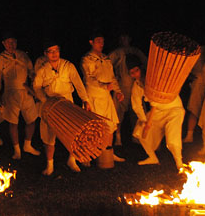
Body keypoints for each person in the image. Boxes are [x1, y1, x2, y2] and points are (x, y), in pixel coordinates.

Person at [33, 41, 90, 175]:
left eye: (56, 50)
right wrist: (44, 100)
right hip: (50, 104)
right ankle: (50, 165)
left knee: (72, 133)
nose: (54, 54)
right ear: (46, 54)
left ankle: (72, 160)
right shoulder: (42, 69)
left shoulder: (68, 66)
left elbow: (78, 83)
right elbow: (36, 87)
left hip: (67, 103)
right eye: (51, 51)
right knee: (48, 135)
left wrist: (85, 99)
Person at [128, 56, 185, 168]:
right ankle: (152, 157)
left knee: (172, 139)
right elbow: (136, 104)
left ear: (141, 69)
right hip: (158, 112)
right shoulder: (137, 85)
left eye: (136, 70)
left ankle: (179, 163)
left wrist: (149, 120)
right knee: (140, 131)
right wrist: (144, 120)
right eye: (132, 73)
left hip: (174, 109)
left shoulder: (154, 79)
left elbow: (156, 100)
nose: (135, 74)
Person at [0, 34, 40, 160]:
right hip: (10, 91)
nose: (11, 45)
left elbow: (31, 70)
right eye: (8, 42)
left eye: (13, 42)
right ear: (4, 43)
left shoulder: (23, 55)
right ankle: (17, 150)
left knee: (31, 119)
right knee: (13, 122)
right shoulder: (0, 58)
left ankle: (27, 145)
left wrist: (33, 83)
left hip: (25, 90)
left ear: (16, 42)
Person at [82, 34, 124, 162]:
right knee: (93, 127)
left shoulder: (106, 58)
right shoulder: (87, 59)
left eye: (103, 41)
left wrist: (118, 91)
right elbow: (88, 79)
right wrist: (103, 86)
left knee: (110, 124)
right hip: (94, 95)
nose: (101, 44)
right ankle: (88, 155)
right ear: (91, 42)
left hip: (106, 96)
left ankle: (108, 152)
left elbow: (112, 77)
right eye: (98, 41)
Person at [109, 33, 147, 142]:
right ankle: (118, 137)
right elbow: (107, 64)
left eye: (126, 37)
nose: (124, 40)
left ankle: (138, 137)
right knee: (118, 113)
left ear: (129, 39)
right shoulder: (117, 52)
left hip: (137, 85)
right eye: (122, 38)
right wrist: (114, 79)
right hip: (122, 87)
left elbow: (145, 62)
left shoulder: (135, 51)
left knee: (138, 110)